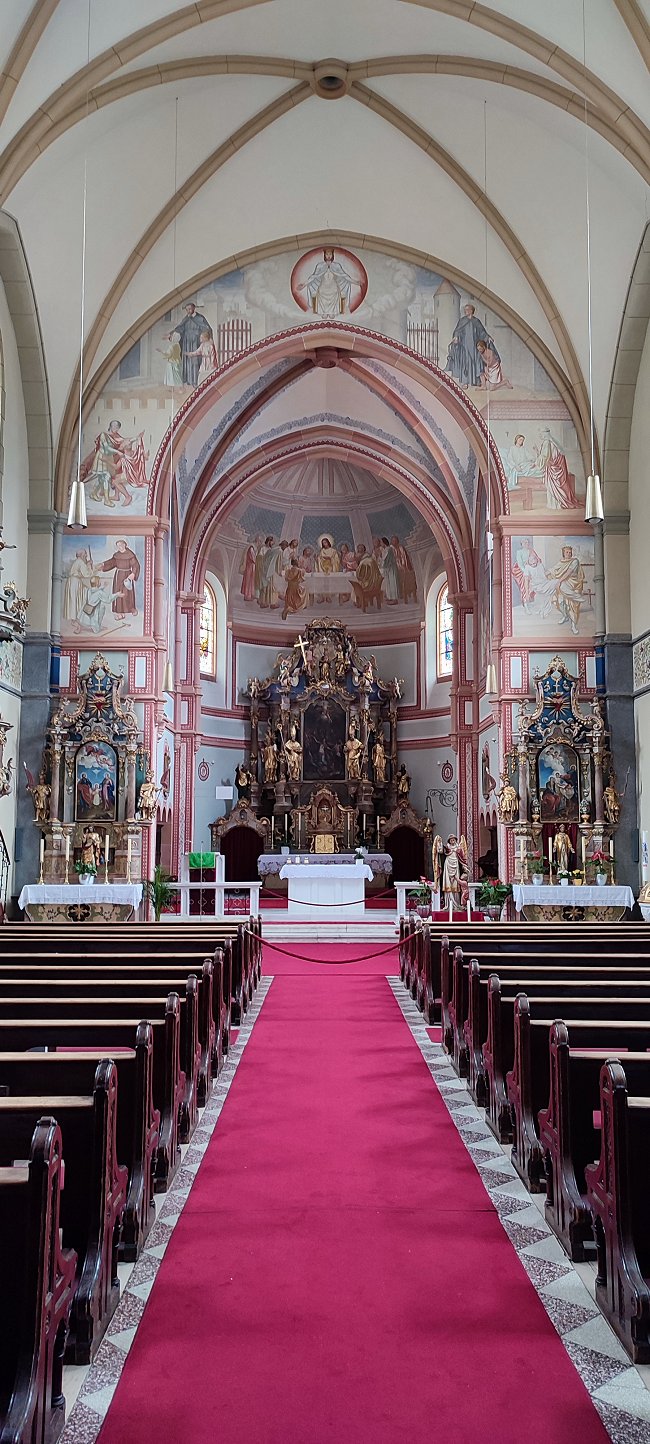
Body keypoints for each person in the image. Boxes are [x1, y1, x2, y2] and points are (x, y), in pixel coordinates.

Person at [299, 249, 360, 317]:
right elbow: (314, 276)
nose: (328, 256)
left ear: (332, 255)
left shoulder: (336, 265)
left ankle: (332, 311)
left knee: (335, 291)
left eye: (330, 254)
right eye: (327, 254)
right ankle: (323, 312)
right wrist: (304, 284)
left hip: (333, 286)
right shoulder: (320, 265)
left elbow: (344, 275)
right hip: (323, 286)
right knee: (321, 292)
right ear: (324, 255)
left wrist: (355, 282)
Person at [445, 304, 490, 388]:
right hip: (464, 346)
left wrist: (488, 337)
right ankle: (465, 382)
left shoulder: (476, 321)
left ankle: (476, 381)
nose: (465, 311)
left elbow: (482, 332)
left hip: (475, 346)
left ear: (471, 311)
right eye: (465, 310)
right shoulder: (462, 321)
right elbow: (457, 331)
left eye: (467, 310)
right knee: (465, 363)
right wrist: (456, 337)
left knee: (477, 362)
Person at [546, 545, 585, 634]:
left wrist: (559, 581)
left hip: (574, 585)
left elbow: (569, 572)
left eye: (570, 552)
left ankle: (573, 626)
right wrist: (543, 575)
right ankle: (565, 616)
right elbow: (553, 569)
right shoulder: (562, 562)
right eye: (567, 552)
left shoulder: (575, 561)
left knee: (572, 606)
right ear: (563, 553)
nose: (569, 554)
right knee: (560, 602)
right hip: (563, 584)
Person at [536, 429, 578, 509]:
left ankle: (555, 504)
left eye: (541, 434)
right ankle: (556, 504)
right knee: (555, 486)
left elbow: (545, 457)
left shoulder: (547, 443)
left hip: (552, 468)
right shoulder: (553, 443)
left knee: (552, 486)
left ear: (545, 434)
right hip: (556, 468)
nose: (540, 436)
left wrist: (536, 459)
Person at [100, 540, 140, 621]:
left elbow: (135, 565)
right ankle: (120, 613)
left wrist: (133, 573)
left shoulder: (130, 554)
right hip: (118, 576)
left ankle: (131, 609)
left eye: (121, 545)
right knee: (118, 593)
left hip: (127, 575)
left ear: (125, 545)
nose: (120, 547)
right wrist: (103, 564)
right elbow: (111, 563)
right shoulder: (117, 555)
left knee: (127, 593)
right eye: (118, 546)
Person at [175, 302, 213, 386]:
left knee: (195, 361)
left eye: (190, 309)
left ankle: (196, 381)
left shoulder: (200, 318)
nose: (188, 311)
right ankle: (188, 380)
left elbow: (206, 328)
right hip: (187, 342)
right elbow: (180, 328)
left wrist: (204, 337)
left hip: (196, 341)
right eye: (187, 309)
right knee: (188, 361)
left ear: (194, 308)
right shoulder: (186, 318)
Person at [63, 549, 92, 631]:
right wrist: (89, 566)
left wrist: (87, 564)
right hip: (75, 583)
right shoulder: (81, 562)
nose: (86, 556)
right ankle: (76, 621)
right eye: (85, 554)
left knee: (73, 601)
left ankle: (74, 620)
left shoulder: (78, 562)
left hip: (72, 582)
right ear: (82, 555)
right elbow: (86, 574)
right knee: (76, 601)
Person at [442, 834, 468, 906]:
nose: (452, 841)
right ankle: (448, 904)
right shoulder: (447, 847)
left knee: (455, 882)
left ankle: (456, 903)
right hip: (448, 864)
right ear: (449, 841)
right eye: (451, 840)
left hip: (455, 864)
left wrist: (464, 865)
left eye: (453, 839)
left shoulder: (458, 848)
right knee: (448, 881)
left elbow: (462, 858)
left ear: (455, 840)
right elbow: (441, 851)